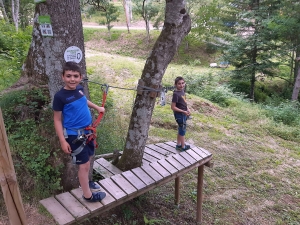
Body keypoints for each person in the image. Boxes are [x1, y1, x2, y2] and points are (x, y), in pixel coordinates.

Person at [53, 61, 106, 202]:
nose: (72, 79)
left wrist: (97, 108)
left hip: (88, 133)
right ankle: (88, 195)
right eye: (69, 76)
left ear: (80, 77)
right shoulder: (60, 97)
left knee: (88, 161)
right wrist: (63, 141)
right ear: (62, 76)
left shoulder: (79, 89)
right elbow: (57, 119)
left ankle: (86, 184)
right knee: (84, 165)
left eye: (75, 76)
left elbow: (84, 100)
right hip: (75, 136)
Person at [171, 76, 191, 151]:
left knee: (180, 129)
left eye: (183, 83)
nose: (181, 85)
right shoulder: (176, 94)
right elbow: (173, 107)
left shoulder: (182, 91)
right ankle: (183, 147)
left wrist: (188, 109)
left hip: (184, 113)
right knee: (182, 131)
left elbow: (184, 102)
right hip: (179, 115)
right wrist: (183, 111)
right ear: (175, 84)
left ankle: (178, 145)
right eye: (179, 84)